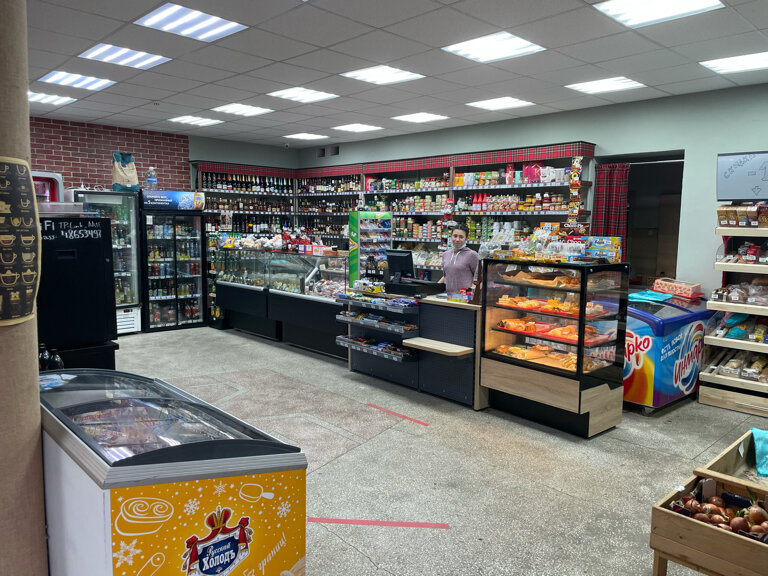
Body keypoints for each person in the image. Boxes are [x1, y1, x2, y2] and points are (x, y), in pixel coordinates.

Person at [439, 224, 480, 293]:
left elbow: (479, 278)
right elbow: (446, 276)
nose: (457, 239)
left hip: (464, 297)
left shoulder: (472, 255)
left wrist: (471, 291)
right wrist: (434, 287)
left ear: (466, 239)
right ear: (451, 236)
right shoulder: (445, 254)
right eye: (455, 236)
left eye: (461, 237)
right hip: (447, 296)